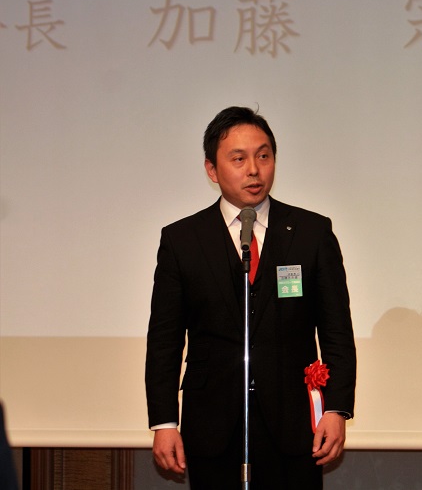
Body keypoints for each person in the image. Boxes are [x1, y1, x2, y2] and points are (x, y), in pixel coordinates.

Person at [145, 106, 356, 489]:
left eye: (263, 156)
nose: (254, 170)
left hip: (295, 425)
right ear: (212, 169)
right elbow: (164, 340)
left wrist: (337, 408)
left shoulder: (311, 233)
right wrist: (164, 422)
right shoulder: (182, 240)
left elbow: (336, 331)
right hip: (212, 424)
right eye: (239, 159)